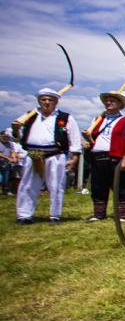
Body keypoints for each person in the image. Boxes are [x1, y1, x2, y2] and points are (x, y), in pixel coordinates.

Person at [12, 88, 81, 223]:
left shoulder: (65, 118)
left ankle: (55, 215)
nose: (47, 102)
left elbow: (74, 138)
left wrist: (75, 157)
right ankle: (24, 215)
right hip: (32, 154)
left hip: (55, 154)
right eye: (44, 99)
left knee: (56, 185)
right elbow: (16, 136)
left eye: (50, 100)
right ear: (39, 101)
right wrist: (15, 129)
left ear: (56, 102)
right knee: (28, 184)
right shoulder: (29, 116)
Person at [84, 91, 125, 222]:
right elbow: (93, 141)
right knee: (98, 186)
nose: (108, 103)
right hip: (98, 157)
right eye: (106, 101)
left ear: (119, 104)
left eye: (112, 101)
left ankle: (121, 215)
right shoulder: (97, 120)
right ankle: (99, 214)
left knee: (119, 187)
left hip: (116, 157)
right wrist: (88, 140)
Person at [0, 128, 22, 195]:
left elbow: (13, 151)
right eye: (5, 136)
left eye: (8, 137)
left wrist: (14, 157)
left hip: (7, 163)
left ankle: (7, 190)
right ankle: (5, 189)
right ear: (1, 136)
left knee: (8, 177)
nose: (7, 138)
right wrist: (8, 158)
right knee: (4, 176)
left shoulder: (10, 144)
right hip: (2, 162)